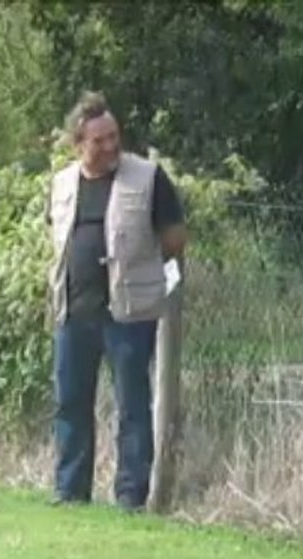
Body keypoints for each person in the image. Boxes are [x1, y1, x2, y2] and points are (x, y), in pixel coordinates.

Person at [45, 91, 188, 511]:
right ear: (78, 145)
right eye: (98, 140)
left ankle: (130, 497)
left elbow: (175, 237)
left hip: (128, 312)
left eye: (113, 136)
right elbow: (56, 237)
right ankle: (70, 491)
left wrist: (149, 275)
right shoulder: (61, 184)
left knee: (132, 407)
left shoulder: (148, 176)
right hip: (74, 311)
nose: (110, 146)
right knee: (70, 403)